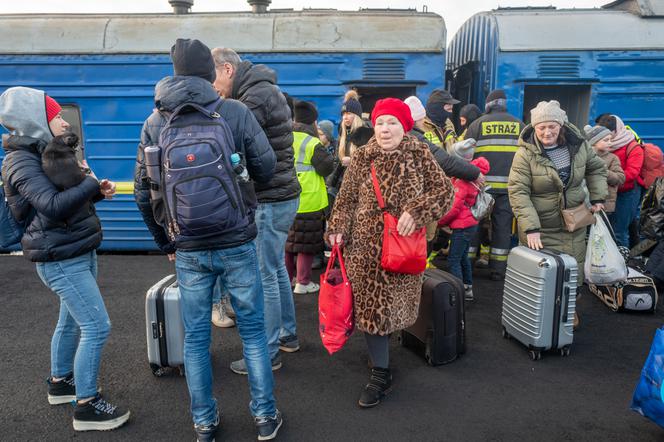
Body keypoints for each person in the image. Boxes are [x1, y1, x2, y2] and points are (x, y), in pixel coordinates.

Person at [134, 39, 282, 441]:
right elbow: (268, 168)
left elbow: (142, 192)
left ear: (174, 72)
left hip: (189, 248)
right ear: (208, 72)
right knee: (252, 332)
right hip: (236, 238)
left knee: (196, 339)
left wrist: (167, 241)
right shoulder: (233, 111)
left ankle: (204, 422)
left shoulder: (155, 121)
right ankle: (265, 417)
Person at [0, 87, 128, 431]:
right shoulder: (20, 161)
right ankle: (86, 406)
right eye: (55, 115)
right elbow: (52, 206)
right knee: (97, 326)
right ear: (36, 120)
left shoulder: (48, 152)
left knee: (71, 321)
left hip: (75, 247)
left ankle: (61, 384)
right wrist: (89, 184)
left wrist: (96, 192)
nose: (61, 120)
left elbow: (67, 204)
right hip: (59, 257)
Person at [326, 98, 453, 408]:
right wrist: (337, 228)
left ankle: (381, 356)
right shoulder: (362, 157)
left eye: (392, 123)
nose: (385, 129)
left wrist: (419, 210)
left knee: (395, 310)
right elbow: (345, 200)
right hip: (364, 251)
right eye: (381, 122)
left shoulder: (419, 152)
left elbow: (444, 191)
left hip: (403, 249)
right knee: (373, 312)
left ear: (404, 126)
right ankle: (381, 372)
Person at [211, 47, 303, 366]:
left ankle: (268, 351)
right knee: (276, 269)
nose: (214, 90)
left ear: (227, 70)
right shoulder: (264, 89)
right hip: (283, 194)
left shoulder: (252, 99)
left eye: (213, 82)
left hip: (269, 196)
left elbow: (231, 139)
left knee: (265, 273)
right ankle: (287, 336)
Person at [508, 100, 607, 327]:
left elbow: (596, 169)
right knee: (542, 275)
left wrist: (598, 197)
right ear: (534, 128)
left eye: (551, 126)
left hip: (574, 222)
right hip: (541, 227)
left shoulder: (579, 146)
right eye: (541, 127)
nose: (546, 132)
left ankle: (568, 310)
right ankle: (539, 315)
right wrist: (531, 228)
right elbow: (518, 191)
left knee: (574, 269)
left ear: (561, 125)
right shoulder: (525, 155)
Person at [465, 89, 524, 280]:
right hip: (508, 188)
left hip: (481, 187)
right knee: (503, 227)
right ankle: (498, 270)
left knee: (474, 223)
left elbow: (464, 156)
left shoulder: (477, 124)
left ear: (488, 104)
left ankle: (468, 264)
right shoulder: (519, 125)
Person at [285, 100, 335, 294]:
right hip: (310, 201)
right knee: (305, 245)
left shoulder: (285, 137)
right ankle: (303, 282)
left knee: (288, 244)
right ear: (313, 122)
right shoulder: (312, 142)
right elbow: (326, 168)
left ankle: (288, 279)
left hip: (287, 198)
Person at [438, 139, 490, 302]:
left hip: (462, 226)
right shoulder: (472, 177)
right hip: (469, 224)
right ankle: (467, 288)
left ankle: (458, 293)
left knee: (453, 259)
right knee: (462, 257)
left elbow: (454, 207)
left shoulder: (462, 181)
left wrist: (439, 222)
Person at [404, 95, 483, 182]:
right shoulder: (415, 137)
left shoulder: (448, 124)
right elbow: (443, 160)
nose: (423, 120)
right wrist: (473, 173)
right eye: (448, 109)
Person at [595, 114, 644, 247]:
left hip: (627, 193)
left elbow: (632, 173)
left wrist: (606, 176)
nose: (605, 139)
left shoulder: (633, 147)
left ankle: (622, 263)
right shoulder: (598, 145)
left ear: (616, 131)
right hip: (608, 193)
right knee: (605, 229)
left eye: (607, 135)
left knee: (618, 231)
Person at [326, 90, 366, 201]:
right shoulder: (342, 133)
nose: (345, 117)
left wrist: (353, 160)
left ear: (357, 116)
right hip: (344, 186)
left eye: (348, 113)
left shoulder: (366, 134)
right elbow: (337, 162)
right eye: (343, 114)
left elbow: (371, 163)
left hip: (361, 188)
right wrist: (330, 184)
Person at [584, 125, 625, 214]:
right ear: (594, 142)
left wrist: (601, 171)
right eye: (606, 140)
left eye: (610, 140)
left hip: (605, 205)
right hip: (584, 203)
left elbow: (620, 178)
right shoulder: (584, 157)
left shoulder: (612, 158)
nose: (610, 143)